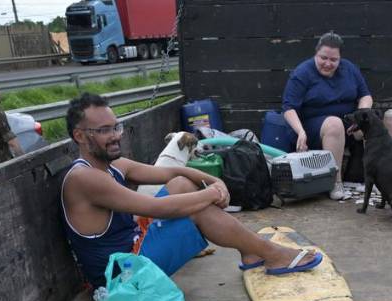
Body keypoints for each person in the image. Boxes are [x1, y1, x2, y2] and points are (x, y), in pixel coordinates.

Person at [60, 93, 322, 290]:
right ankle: (271, 254)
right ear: (80, 136)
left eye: (116, 126)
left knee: (182, 188)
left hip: (130, 251)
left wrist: (213, 181)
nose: (115, 135)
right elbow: (156, 208)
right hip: (121, 281)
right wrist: (210, 195)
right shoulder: (85, 178)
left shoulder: (112, 165)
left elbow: (173, 173)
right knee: (193, 210)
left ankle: (252, 250)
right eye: (104, 130)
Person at [281, 32, 372, 199]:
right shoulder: (302, 73)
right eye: (323, 58)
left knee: (375, 123)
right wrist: (301, 132)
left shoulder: (350, 69)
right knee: (334, 124)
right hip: (310, 128)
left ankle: (376, 179)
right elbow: (288, 108)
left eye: (333, 60)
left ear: (340, 59)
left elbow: (365, 96)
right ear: (316, 54)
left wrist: (361, 116)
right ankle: (335, 183)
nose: (328, 63)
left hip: (349, 123)